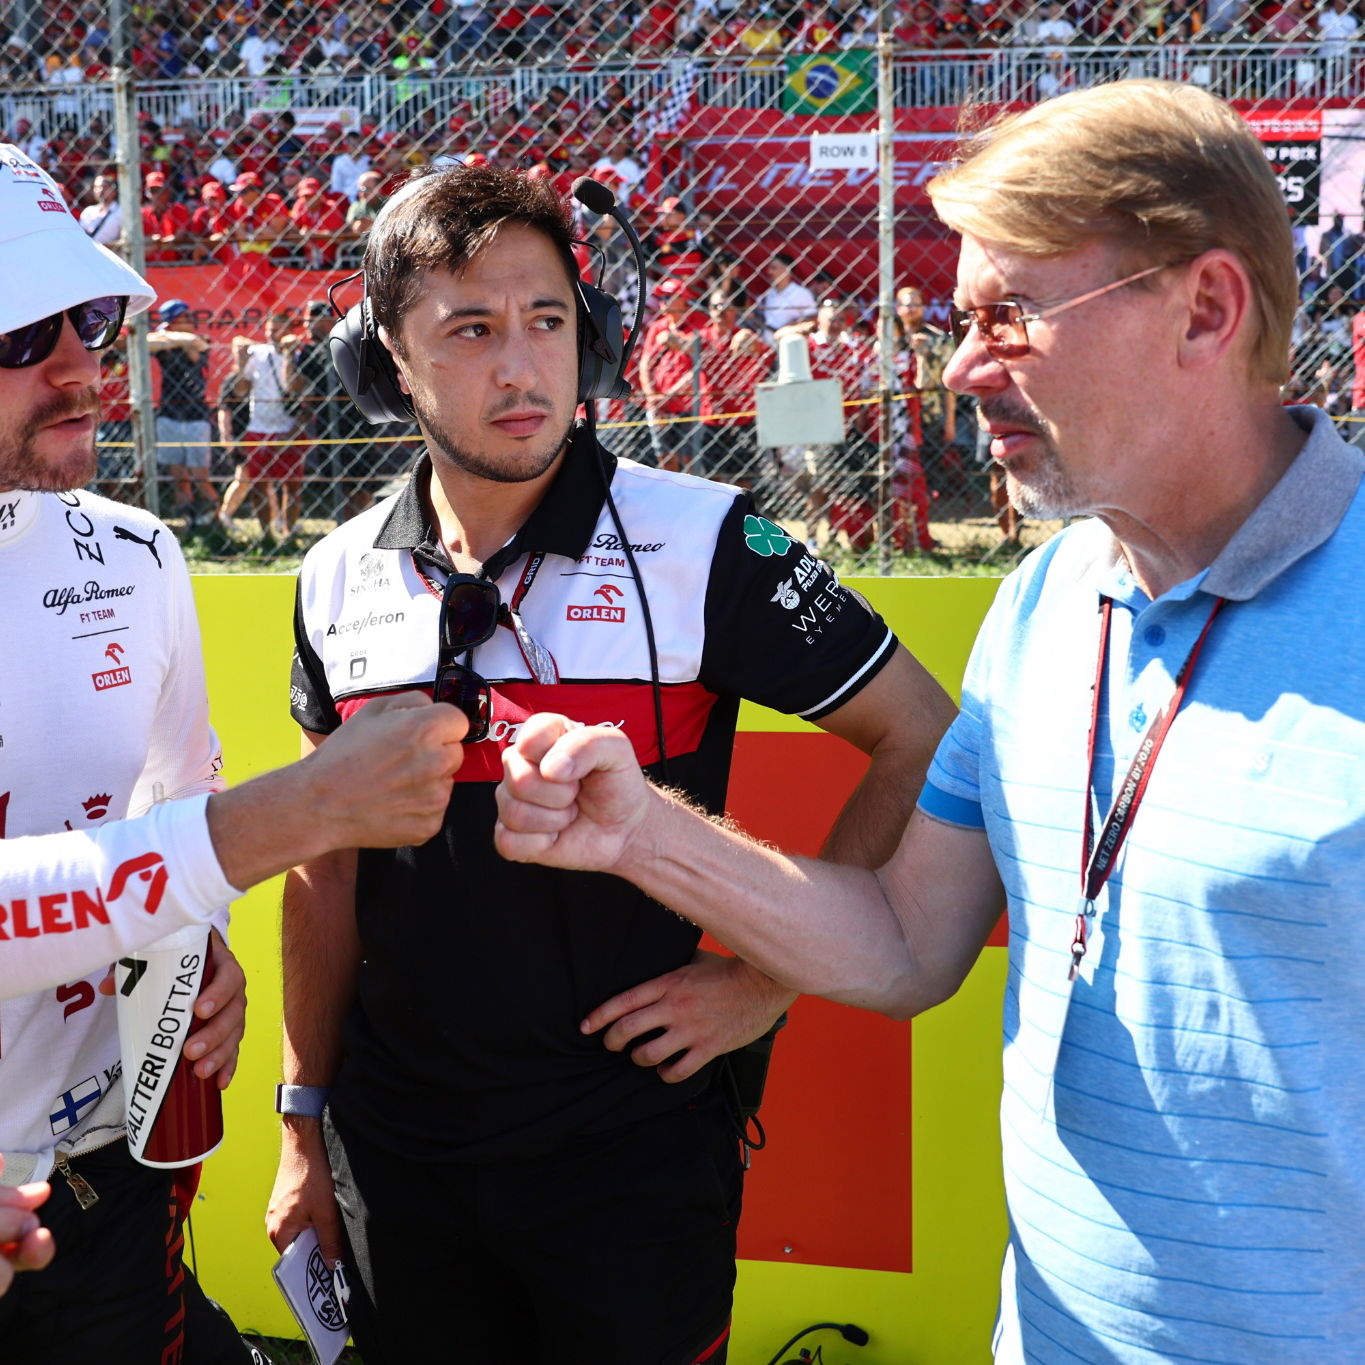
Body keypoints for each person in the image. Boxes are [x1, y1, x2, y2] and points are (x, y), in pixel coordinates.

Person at [496, 80, 1365, 1361]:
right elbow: (906, 944)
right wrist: (643, 835)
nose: (962, 367)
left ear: (1206, 309)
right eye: (963, 321)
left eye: (1012, 315)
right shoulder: (1044, 601)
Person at [266, 163, 954, 1365]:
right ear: (388, 361)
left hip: (632, 1160)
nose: (523, 367)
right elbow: (324, 875)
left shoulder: (706, 535)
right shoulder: (334, 573)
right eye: (471, 330)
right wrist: (299, 1125)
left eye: (548, 321)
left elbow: (924, 734)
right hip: (398, 1159)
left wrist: (763, 981)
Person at [0, 142, 470, 1360]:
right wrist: (300, 813)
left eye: (91, 319)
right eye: (23, 334)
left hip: (115, 1171)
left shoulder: (135, 555)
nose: (79, 366)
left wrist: (199, 951)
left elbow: (176, 790)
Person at [217, 312, 306, 539]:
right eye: (268, 330)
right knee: (258, 485)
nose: (270, 335)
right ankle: (266, 534)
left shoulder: (301, 355)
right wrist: (241, 362)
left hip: (289, 426)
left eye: (276, 330)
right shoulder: (258, 354)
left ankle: (288, 532)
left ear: (289, 331)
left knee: (291, 486)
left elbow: (293, 388)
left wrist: (288, 356)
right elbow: (240, 391)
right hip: (258, 428)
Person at [147, 298, 218, 526]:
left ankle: (215, 517)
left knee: (200, 476)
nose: (190, 321)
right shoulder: (166, 343)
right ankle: (186, 518)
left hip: (196, 415)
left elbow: (196, 347)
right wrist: (175, 337)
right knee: (179, 477)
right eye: (183, 318)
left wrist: (175, 338)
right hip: (169, 413)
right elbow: (145, 342)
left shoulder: (198, 340)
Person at [759, 252, 817, 338]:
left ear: (787, 270)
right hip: (768, 342)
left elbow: (812, 318)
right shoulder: (768, 293)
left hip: (790, 341)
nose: (769, 272)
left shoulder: (801, 293)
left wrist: (790, 326)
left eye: (774, 268)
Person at [77, 171, 121, 247]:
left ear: (113, 190)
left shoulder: (120, 211)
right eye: (96, 187)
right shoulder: (88, 211)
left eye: (105, 187)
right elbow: (81, 235)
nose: (100, 190)